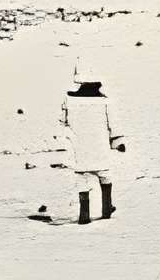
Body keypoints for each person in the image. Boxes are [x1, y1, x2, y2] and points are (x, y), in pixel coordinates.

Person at [58, 59, 123, 225]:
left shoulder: (69, 100)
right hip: (100, 147)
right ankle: (106, 208)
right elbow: (113, 124)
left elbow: (62, 123)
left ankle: (84, 215)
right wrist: (117, 142)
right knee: (105, 177)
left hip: (79, 149)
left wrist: (65, 142)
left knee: (82, 181)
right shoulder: (105, 101)